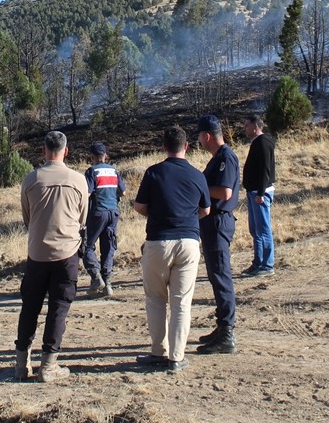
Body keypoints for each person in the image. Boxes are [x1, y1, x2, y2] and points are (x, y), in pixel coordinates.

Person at [133, 126, 210, 374]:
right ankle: (177, 357)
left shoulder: (153, 172)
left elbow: (139, 206)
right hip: (188, 242)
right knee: (181, 303)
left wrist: (155, 213)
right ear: (186, 146)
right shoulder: (198, 175)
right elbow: (205, 210)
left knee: (156, 299)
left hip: (158, 242)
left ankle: (158, 351)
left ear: (164, 147)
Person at [14, 130, 89, 383]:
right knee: (58, 309)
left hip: (37, 254)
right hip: (66, 254)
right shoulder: (79, 180)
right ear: (66, 151)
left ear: (44, 151)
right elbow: (83, 218)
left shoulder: (30, 179)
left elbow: (27, 218)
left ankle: (21, 364)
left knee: (29, 308)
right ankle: (48, 366)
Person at [195, 114, 240, 355]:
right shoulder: (218, 158)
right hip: (212, 223)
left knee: (221, 277)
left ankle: (227, 333)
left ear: (207, 135)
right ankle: (222, 325)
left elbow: (224, 191)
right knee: (216, 276)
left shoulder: (226, 158)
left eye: (200, 137)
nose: (199, 142)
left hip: (219, 222)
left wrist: (200, 187)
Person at [83, 141, 125, 297]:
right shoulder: (114, 171)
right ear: (105, 155)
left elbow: (87, 193)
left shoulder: (91, 172)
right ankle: (108, 283)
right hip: (113, 212)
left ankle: (95, 277)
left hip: (97, 212)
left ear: (92, 157)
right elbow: (123, 192)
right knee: (109, 247)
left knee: (87, 246)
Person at [242, 115, 276, 276]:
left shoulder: (262, 143)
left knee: (263, 230)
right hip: (254, 192)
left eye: (247, 126)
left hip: (260, 193)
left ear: (255, 127)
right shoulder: (258, 143)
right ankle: (258, 262)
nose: (245, 128)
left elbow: (265, 170)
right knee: (255, 230)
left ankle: (267, 265)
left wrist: (261, 193)